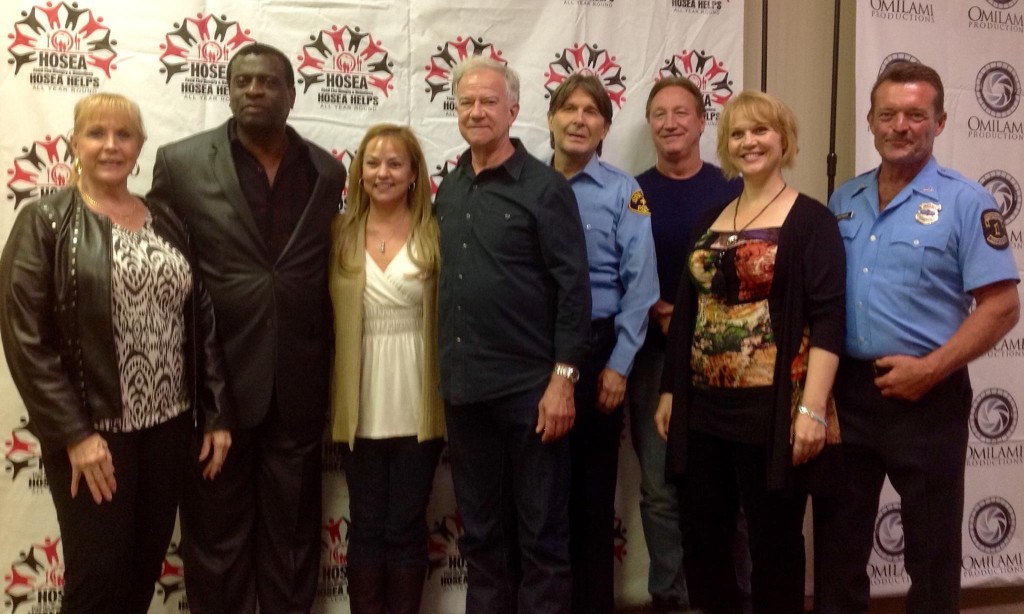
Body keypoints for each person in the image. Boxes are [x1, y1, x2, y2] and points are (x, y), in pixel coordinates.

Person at [0, 92, 232, 613]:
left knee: (141, 575)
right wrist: (76, 435)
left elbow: (201, 319)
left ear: (140, 146)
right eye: (96, 134)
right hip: (96, 436)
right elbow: (24, 337)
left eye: (123, 135)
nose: (110, 145)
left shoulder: (168, 219)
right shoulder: (45, 223)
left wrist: (216, 412)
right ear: (73, 144)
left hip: (169, 431)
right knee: (97, 582)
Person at [147, 43, 346, 613]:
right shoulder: (180, 163)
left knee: (293, 538)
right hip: (217, 390)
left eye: (267, 81)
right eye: (242, 81)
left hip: (299, 384)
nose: (253, 90)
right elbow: (168, 280)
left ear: (291, 92)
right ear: (228, 90)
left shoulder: (325, 170)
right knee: (216, 539)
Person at [817, 62, 1020, 614]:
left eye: (915, 115)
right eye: (889, 115)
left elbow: (1002, 306)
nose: (900, 126)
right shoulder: (843, 201)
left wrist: (931, 368)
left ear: (939, 121)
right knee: (839, 546)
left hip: (928, 396)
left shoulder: (967, 202)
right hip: (849, 395)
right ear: (871, 121)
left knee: (930, 553)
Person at [654, 90, 845, 614]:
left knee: (774, 543)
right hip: (703, 406)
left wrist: (812, 408)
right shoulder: (710, 219)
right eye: (737, 133)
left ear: (784, 140)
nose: (749, 142)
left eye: (761, 130)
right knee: (704, 540)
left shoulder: (812, 221)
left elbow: (829, 318)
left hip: (773, 407)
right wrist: (671, 389)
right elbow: (687, 311)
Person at [434, 56, 591, 614]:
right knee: (480, 537)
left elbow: (575, 290)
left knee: (543, 539)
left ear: (515, 110)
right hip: (464, 391)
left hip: (532, 393)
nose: (477, 112)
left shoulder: (545, 188)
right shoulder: (449, 189)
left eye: (489, 102)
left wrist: (564, 381)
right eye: (466, 102)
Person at [628, 76, 743, 613]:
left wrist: (701, 322)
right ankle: (668, 599)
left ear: (702, 122)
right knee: (658, 488)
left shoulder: (734, 189)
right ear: (649, 124)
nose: (670, 122)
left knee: (729, 489)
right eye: (659, 114)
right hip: (653, 356)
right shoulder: (631, 191)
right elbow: (616, 267)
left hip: (725, 358)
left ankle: (731, 597)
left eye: (681, 112)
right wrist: (656, 308)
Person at [546, 73, 659, 614]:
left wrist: (618, 365)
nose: (579, 119)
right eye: (569, 108)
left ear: (605, 128)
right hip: (531, 354)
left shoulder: (624, 191)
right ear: (550, 119)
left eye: (592, 112)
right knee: (538, 500)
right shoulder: (525, 184)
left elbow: (643, 287)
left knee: (591, 499)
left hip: (596, 353)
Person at [329, 124, 445, 614]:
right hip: (359, 398)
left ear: (415, 173)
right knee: (367, 522)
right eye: (372, 163)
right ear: (358, 173)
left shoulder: (438, 232)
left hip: (420, 398)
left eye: (395, 163)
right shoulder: (337, 232)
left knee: (406, 524)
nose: (383, 173)